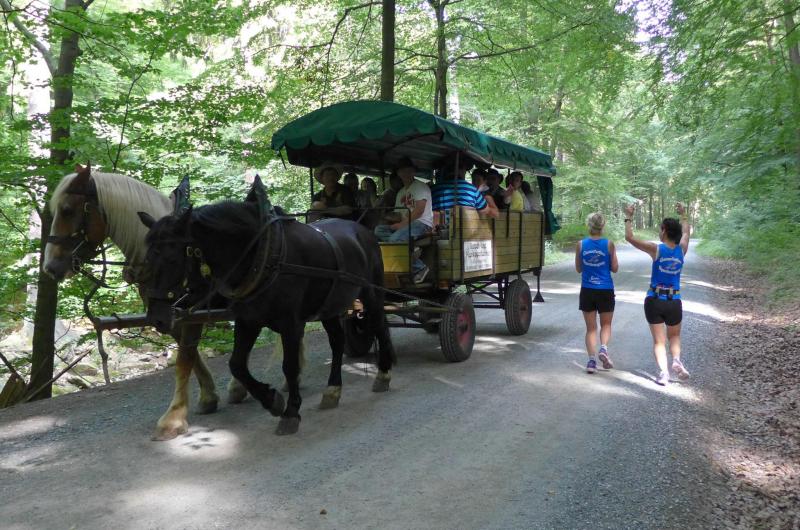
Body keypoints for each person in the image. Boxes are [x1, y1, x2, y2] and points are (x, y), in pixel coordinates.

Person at [624, 202, 692, 386]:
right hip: (674, 300)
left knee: (659, 342)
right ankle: (676, 360)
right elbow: (686, 232)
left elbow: (629, 237)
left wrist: (628, 216)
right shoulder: (682, 249)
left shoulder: (656, 249)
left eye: (661, 229)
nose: (659, 232)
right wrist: (683, 214)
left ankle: (664, 373)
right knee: (674, 336)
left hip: (654, 300)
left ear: (665, 231)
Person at [374, 158, 433, 283]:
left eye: (409, 170)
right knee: (379, 230)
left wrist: (401, 225)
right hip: (407, 224)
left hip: (422, 223)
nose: (406, 173)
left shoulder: (420, 187)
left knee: (394, 240)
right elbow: (399, 215)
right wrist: (386, 216)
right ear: (398, 173)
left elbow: (419, 210)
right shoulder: (401, 192)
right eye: (402, 171)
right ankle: (409, 250)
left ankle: (420, 268)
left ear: (413, 172)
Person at [575, 213, 619, 374]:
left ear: (589, 225)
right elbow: (615, 268)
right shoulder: (609, 244)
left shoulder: (581, 244)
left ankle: (591, 361)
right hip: (605, 289)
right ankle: (604, 348)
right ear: (603, 226)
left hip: (587, 289)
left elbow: (578, 269)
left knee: (591, 328)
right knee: (606, 324)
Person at [430, 157, 499, 219]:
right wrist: (489, 199)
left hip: (439, 228)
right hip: (462, 228)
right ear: (462, 170)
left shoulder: (433, 189)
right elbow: (492, 214)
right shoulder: (472, 190)